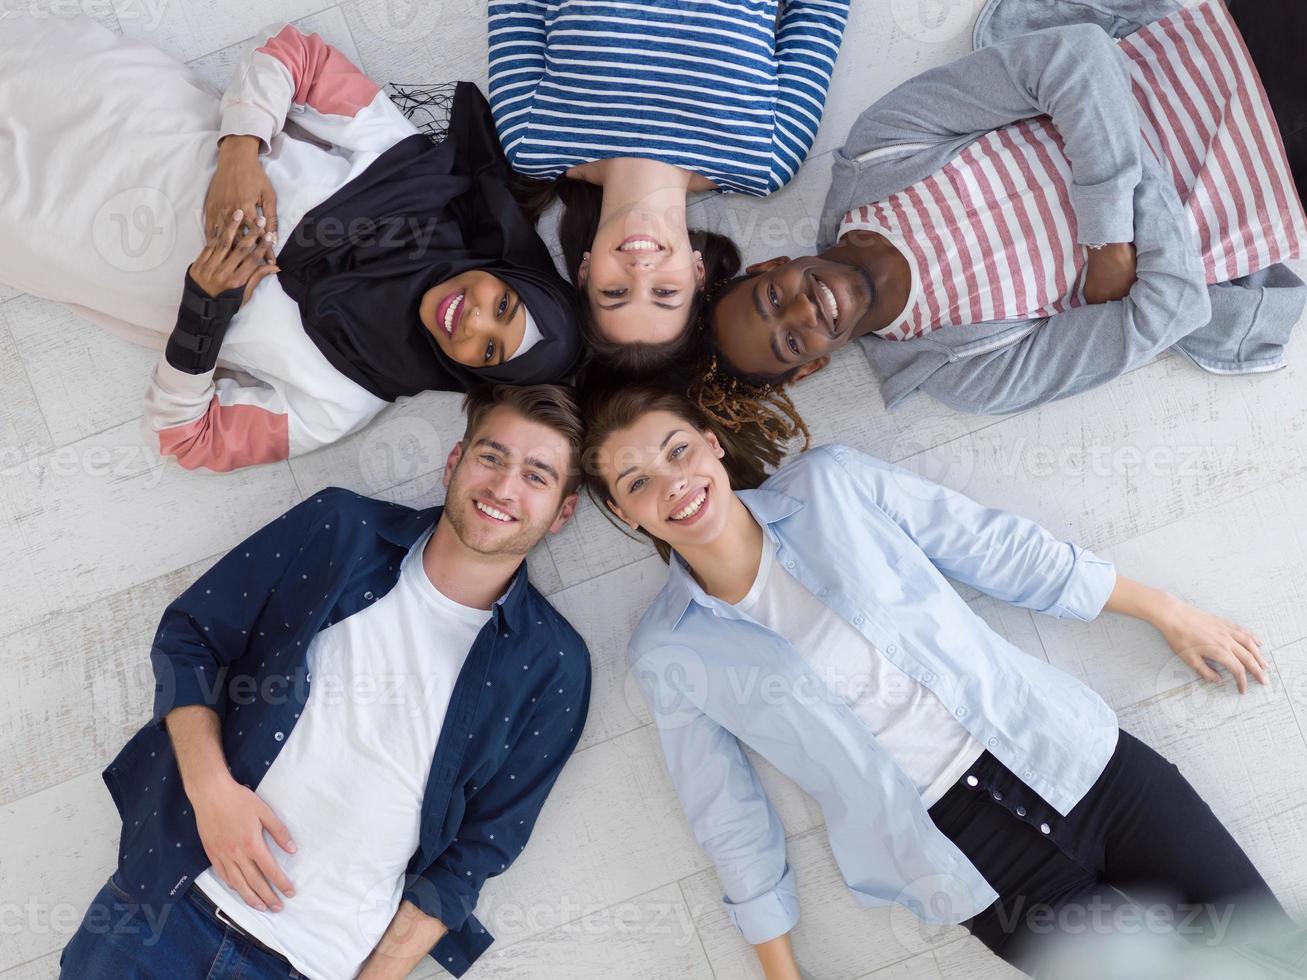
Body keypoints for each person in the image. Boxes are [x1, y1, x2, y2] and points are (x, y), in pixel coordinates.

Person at [581, 380, 1298, 978]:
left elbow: (993, 548)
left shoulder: (834, 486)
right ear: (621, 511)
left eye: (678, 450)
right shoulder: (669, 653)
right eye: (637, 481)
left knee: (1273, 956)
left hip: (1080, 766)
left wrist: (1164, 612)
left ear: (710, 442)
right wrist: (781, 973)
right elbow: (725, 815)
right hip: (971, 868)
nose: (673, 484)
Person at [58, 384, 592, 979]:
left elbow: (478, 852)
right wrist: (212, 794)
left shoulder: (555, 668)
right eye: (491, 457)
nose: (504, 487)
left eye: (537, 476)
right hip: (165, 914)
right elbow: (191, 638)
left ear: (562, 511)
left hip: (309, 966)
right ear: (455, 462)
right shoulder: (342, 529)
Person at [0, 19, 580, 472]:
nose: (473, 320)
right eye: (503, 305)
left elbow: (188, 439)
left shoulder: (342, 399)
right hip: (102, 101)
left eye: (488, 351)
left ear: (474, 375)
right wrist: (240, 151)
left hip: (51, 231)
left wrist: (206, 309)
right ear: (506, 271)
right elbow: (298, 55)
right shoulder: (408, 174)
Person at [704, 0, 1307, 415]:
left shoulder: (879, 150)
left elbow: (1075, 55)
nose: (803, 311)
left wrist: (1109, 243)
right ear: (808, 368)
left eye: (773, 299)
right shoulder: (966, 369)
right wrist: (1099, 129)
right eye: (790, 343)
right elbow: (1172, 311)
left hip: (1240, 45)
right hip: (1286, 188)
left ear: (769, 265)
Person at [488, 0, 851, 373]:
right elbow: (821, 12)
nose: (640, 270)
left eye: (615, 292)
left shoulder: (530, 139)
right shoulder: (768, 158)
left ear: (585, 272)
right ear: (697, 272)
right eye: (665, 293)